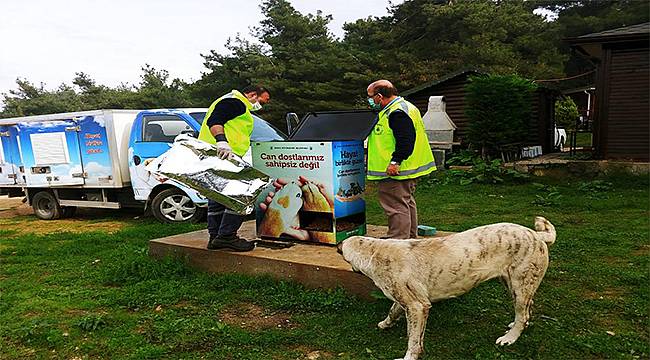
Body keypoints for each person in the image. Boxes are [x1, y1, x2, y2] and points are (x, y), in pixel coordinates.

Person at [198, 85, 271, 251]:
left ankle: (215, 237)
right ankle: (227, 236)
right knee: (243, 196)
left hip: (216, 156)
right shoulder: (236, 102)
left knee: (218, 198)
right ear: (252, 95)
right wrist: (221, 141)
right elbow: (215, 121)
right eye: (263, 101)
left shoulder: (231, 100)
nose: (261, 106)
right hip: (223, 156)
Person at [366, 80, 436, 239]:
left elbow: (406, 140)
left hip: (397, 170)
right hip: (408, 167)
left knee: (395, 205)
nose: (369, 100)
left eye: (370, 97)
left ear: (379, 96)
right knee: (406, 202)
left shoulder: (396, 112)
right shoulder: (406, 107)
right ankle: (409, 238)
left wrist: (395, 161)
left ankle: (397, 240)